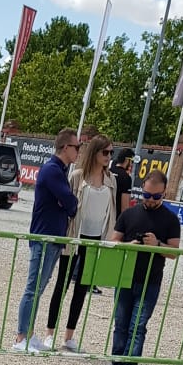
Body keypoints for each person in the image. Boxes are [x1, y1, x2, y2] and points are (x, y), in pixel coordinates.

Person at [42, 135, 117, 351]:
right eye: (105, 152)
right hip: (75, 234)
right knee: (62, 284)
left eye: (111, 153)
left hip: (95, 238)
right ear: (94, 152)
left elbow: (112, 210)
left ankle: (69, 336)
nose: (108, 157)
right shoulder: (77, 176)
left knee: (82, 288)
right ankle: (49, 333)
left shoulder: (111, 180)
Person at [12, 128, 80, 352]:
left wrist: (67, 203)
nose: (78, 151)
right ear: (65, 147)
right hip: (44, 236)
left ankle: (29, 334)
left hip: (54, 237)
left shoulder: (59, 171)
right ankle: (21, 337)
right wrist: (67, 203)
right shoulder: (52, 170)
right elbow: (70, 202)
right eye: (76, 147)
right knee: (33, 288)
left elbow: (70, 204)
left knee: (39, 288)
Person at [108, 169, 181, 365]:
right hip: (124, 277)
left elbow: (174, 252)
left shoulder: (170, 220)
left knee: (137, 326)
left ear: (164, 194)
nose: (150, 200)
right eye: (147, 195)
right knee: (120, 324)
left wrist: (156, 244)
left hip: (151, 280)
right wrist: (128, 245)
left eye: (156, 197)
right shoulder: (128, 214)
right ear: (141, 190)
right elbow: (114, 242)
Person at [111, 147, 133, 216]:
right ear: (127, 160)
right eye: (131, 161)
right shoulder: (126, 177)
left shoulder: (109, 171)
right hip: (116, 217)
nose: (131, 164)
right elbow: (125, 207)